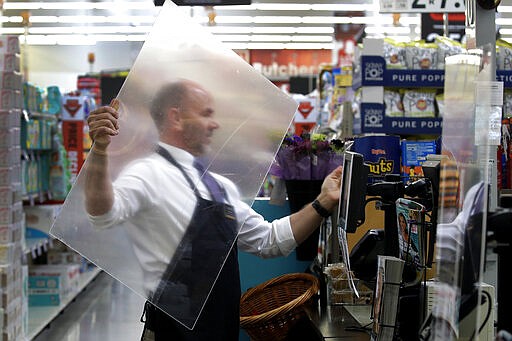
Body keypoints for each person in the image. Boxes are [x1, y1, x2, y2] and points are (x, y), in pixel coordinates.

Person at [84, 79, 343, 341]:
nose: (215, 124)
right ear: (176, 118)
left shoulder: (217, 185)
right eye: (206, 114)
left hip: (220, 329)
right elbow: (103, 213)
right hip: (173, 334)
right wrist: (100, 152)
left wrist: (322, 202)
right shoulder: (148, 173)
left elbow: (269, 241)